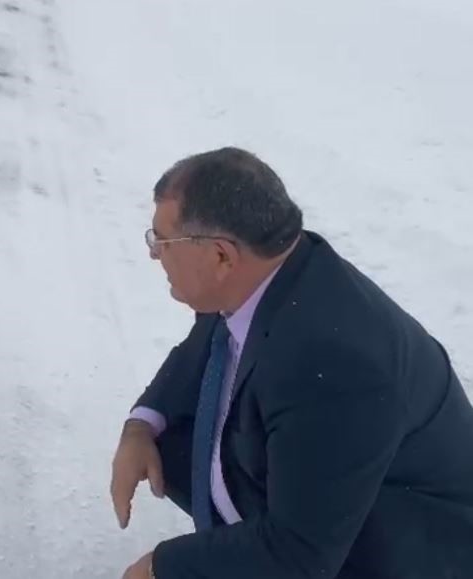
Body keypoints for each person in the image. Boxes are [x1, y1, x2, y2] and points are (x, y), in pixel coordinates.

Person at [110, 146, 473, 579]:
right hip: (341, 481)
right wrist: (142, 425)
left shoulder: (332, 363)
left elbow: (300, 554)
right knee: (173, 440)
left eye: (161, 241)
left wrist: (162, 567)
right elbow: (204, 346)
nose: (154, 254)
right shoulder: (269, 270)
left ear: (221, 256)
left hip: (409, 545)